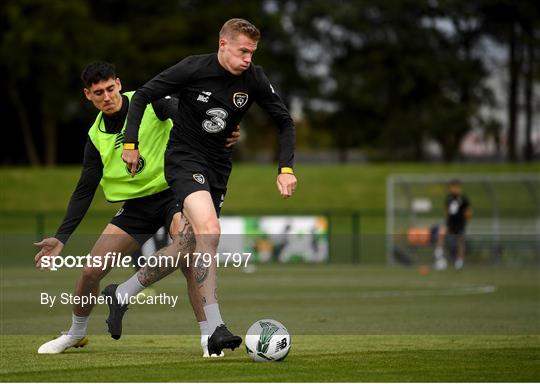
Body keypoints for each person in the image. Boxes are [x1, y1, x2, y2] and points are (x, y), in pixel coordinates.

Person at [34, 61, 240, 356]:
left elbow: (191, 114)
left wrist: (222, 132)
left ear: (118, 83)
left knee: (190, 254)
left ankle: (209, 337)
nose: (106, 96)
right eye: (98, 92)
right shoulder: (95, 137)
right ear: (87, 96)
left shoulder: (151, 102)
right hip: (137, 207)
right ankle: (74, 334)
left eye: (109, 88)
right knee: (91, 270)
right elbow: (84, 190)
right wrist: (61, 238)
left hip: (175, 193)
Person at [119, 18, 297, 356]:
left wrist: (285, 168)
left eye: (252, 52)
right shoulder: (193, 68)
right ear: (223, 45)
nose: (248, 59)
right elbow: (143, 95)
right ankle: (215, 328)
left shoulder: (254, 78)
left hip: (218, 168)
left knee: (189, 244)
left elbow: (285, 121)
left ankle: (123, 293)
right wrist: (131, 144)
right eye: (243, 51)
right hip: (184, 160)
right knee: (210, 230)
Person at [433, 179, 472, 270]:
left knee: (460, 241)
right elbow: (446, 211)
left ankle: (460, 261)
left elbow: (468, 212)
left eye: (456, 187)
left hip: (460, 224)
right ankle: (440, 257)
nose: (455, 189)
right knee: (441, 234)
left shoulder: (463, 199)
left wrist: (464, 221)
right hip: (450, 224)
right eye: (453, 187)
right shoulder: (449, 198)